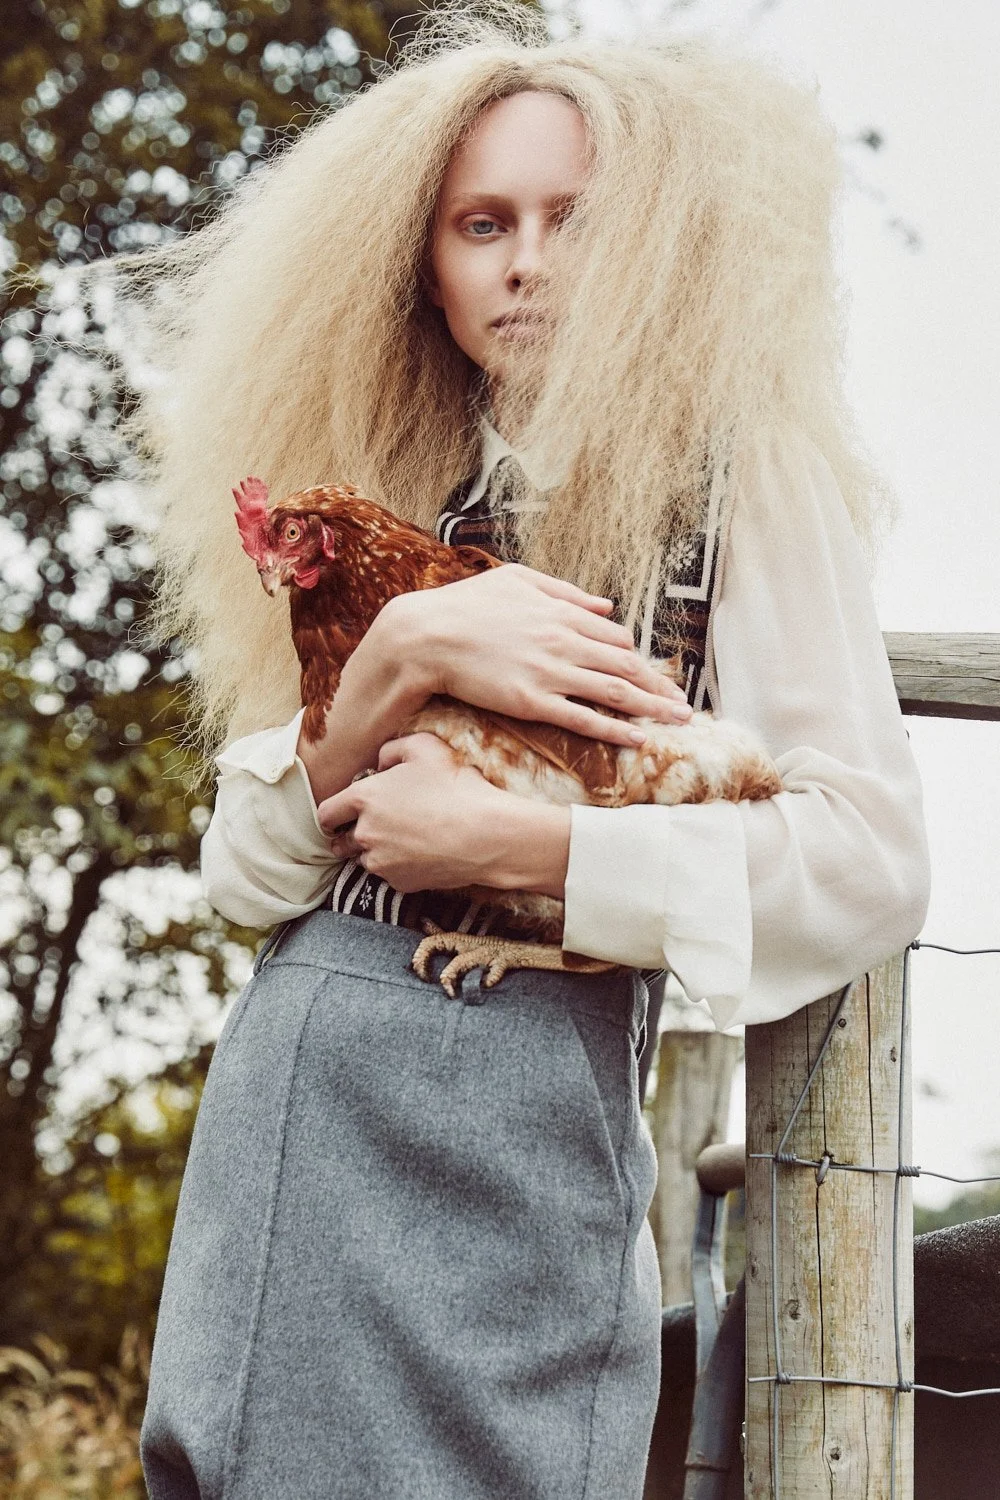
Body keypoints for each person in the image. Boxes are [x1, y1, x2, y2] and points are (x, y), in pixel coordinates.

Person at [120, 11, 930, 1498]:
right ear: (423, 265)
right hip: (310, 1077)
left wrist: (533, 854)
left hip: (534, 1103)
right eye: (480, 223)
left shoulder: (740, 480)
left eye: (572, 220)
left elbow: (867, 860)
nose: (526, 261)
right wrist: (404, 656)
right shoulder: (388, 476)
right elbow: (250, 875)